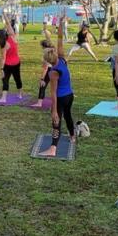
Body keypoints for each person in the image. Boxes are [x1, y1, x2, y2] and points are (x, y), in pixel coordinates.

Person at [38, 12, 76, 157]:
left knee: (56, 121)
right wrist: (60, 22)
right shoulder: (62, 58)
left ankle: (53, 148)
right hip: (70, 95)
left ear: (48, 60)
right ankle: (72, 136)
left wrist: (53, 111)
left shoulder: (53, 73)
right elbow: (60, 38)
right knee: (68, 115)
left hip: (60, 98)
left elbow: (53, 93)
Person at [0, 13, 23, 103]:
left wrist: (1, 69)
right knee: (17, 78)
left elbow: (3, 58)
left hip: (7, 65)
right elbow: (8, 24)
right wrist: (4, 15)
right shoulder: (13, 37)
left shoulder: (3, 45)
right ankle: (20, 94)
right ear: (6, 33)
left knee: (5, 80)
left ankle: (4, 98)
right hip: (17, 63)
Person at [30, 40, 54, 108]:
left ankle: (39, 103)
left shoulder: (46, 52)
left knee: (42, 85)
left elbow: (45, 67)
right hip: (57, 69)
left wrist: (42, 79)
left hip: (49, 70)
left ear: (43, 46)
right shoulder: (54, 50)